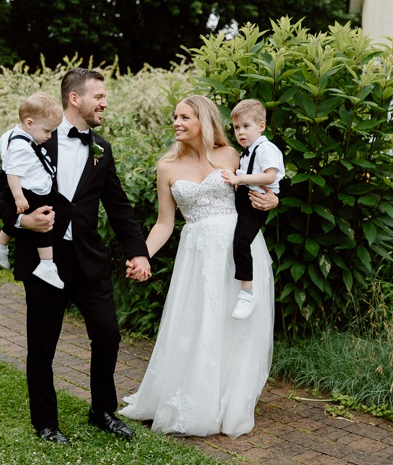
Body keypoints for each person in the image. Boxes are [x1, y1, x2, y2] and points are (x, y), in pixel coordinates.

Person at [0, 68, 151, 445]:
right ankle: (46, 422)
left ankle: (102, 411)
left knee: (108, 334)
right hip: (45, 261)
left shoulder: (101, 149)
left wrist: (138, 252)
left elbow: (119, 207)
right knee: (43, 345)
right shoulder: (33, 138)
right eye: (99, 96)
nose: (105, 103)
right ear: (75, 98)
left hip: (90, 260)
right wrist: (23, 220)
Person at [120, 95, 278, 438]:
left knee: (235, 327)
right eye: (175, 116)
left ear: (203, 121)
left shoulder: (232, 155)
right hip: (197, 256)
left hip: (239, 251)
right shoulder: (167, 167)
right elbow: (164, 224)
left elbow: (265, 188)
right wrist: (141, 254)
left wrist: (274, 199)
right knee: (199, 323)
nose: (176, 122)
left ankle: (229, 401)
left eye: (184, 117)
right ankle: (197, 398)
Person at [0, 92, 65, 289]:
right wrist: (19, 198)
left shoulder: (13, 136)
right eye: (47, 131)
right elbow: (11, 173)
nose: (49, 136)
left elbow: (3, 148)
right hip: (31, 191)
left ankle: (0, 246)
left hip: (29, 188)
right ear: (29, 123)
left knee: (41, 221)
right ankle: (47, 265)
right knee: (45, 224)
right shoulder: (22, 146)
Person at [221, 99, 285, 319]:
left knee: (241, 243)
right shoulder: (248, 150)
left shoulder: (266, 148)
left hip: (255, 203)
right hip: (243, 198)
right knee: (235, 240)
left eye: (246, 126)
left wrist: (238, 177)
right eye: (237, 127)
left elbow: (269, 176)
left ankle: (247, 293)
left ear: (261, 126)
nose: (240, 132)